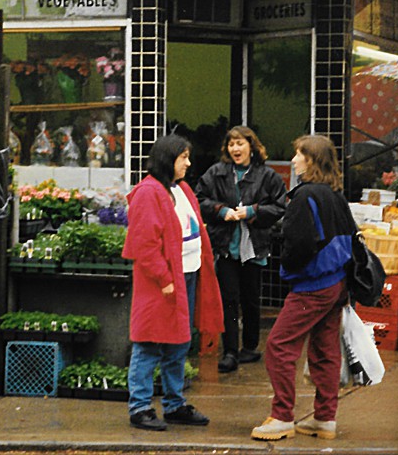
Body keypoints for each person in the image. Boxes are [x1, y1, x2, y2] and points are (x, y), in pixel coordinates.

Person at [251, 134, 353, 442]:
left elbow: (298, 246)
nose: (294, 160)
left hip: (312, 285)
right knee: (325, 350)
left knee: (279, 346)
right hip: (337, 282)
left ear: (311, 160)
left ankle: (282, 416)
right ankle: (325, 418)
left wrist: (286, 264)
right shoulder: (334, 194)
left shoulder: (304, 196)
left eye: (299, 154)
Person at [122, 134, 224, 431]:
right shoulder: (148, 192)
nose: (188, 164)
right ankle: (140, 407)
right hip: (163, 282)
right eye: (184, 158)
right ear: (169, 159)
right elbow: (144, 243)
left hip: (187, 274)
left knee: (179, 342)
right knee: (150, 343)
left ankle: (174, 404)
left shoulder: (180, 189)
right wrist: (165, 279)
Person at [195, 126, 286, 373]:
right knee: (229, 299)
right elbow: (200, 199)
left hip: (254, 247)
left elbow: (280, 207)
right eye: (231, 144)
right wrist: (221, 211)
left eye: (240, 144)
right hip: (226, 246)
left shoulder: (268, 176)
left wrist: (254, 211)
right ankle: (230, 351)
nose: (235, 149)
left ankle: (250, 347)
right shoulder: (216, 173)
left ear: (252, 146)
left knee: (251, 299)